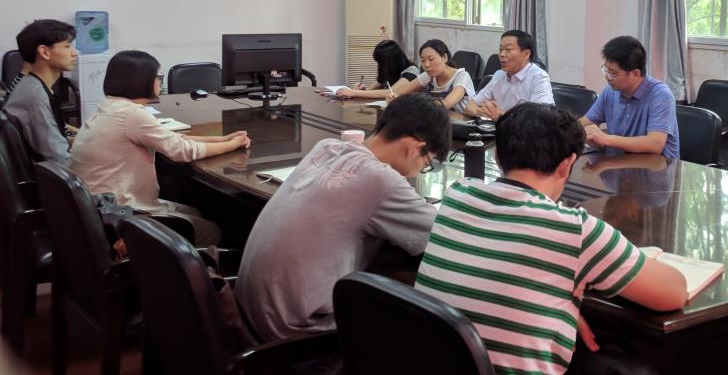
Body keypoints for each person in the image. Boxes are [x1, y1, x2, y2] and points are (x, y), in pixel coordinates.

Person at [416, 102, 686, 375]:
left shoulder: (458, 196)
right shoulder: (575, 229)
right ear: (567, 165)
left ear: (497, 155)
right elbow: (673, 293)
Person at [236, 92, 450, 341]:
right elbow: (442, 233)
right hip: (294, 335)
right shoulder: (382, 181)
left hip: (247, 315)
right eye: (427, 163)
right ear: (415, 148)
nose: (420, 171)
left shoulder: (327, 147)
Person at [70, 50, 249, 246]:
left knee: (194, 212)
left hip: (98, 207)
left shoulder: (112, 107)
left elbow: (171, 138)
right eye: (158, 77)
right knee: (212, 231)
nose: (159, 82)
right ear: (141, 80)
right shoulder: (131, 115)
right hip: (120, 213)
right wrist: (233, 145)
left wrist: (222, 140)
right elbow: (182, 151)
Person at [579, 36, 679, 158]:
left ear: (635, 74)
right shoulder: (610, 91)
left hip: (657, 166)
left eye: (613, 73)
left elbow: (655, 144)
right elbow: (585, 122)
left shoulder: (660, 95)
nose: (607, 77)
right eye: (606, 70)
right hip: (621, 163)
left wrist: (605, 139)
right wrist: (572, 129)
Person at [2, 19, 78, 164]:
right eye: (67, 46)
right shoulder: (36, 96)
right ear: (44, 51)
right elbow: (58, 158)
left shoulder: (30, 84)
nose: (74, 53)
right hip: (48, 174)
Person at [464, 29, 553, 118]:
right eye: (500, 49)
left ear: (526, 54)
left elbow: (538, 117)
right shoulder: (499, 75)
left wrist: (500, 115)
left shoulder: (539, 77)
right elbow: (471, 104)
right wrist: (480, 112)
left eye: (508, 49)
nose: (502, 54)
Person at [386, 39, 475, 113]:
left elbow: (446, 104)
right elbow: (399, 93)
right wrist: (393, 97)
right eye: (423, 61)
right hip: (437, 120)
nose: (427, 65)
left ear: (445, 57)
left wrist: (415, 103)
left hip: (463, 123)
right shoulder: (429, 75)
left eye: (431, 59)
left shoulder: (462, 77)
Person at [334, 39, 419, 99]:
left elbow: (391, 92)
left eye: (382, 63)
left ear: (392, 61)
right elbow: (370, 91)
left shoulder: (412, 71)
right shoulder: (388, 70)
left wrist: (354, 93)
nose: (380, 66)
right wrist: (361, 90)